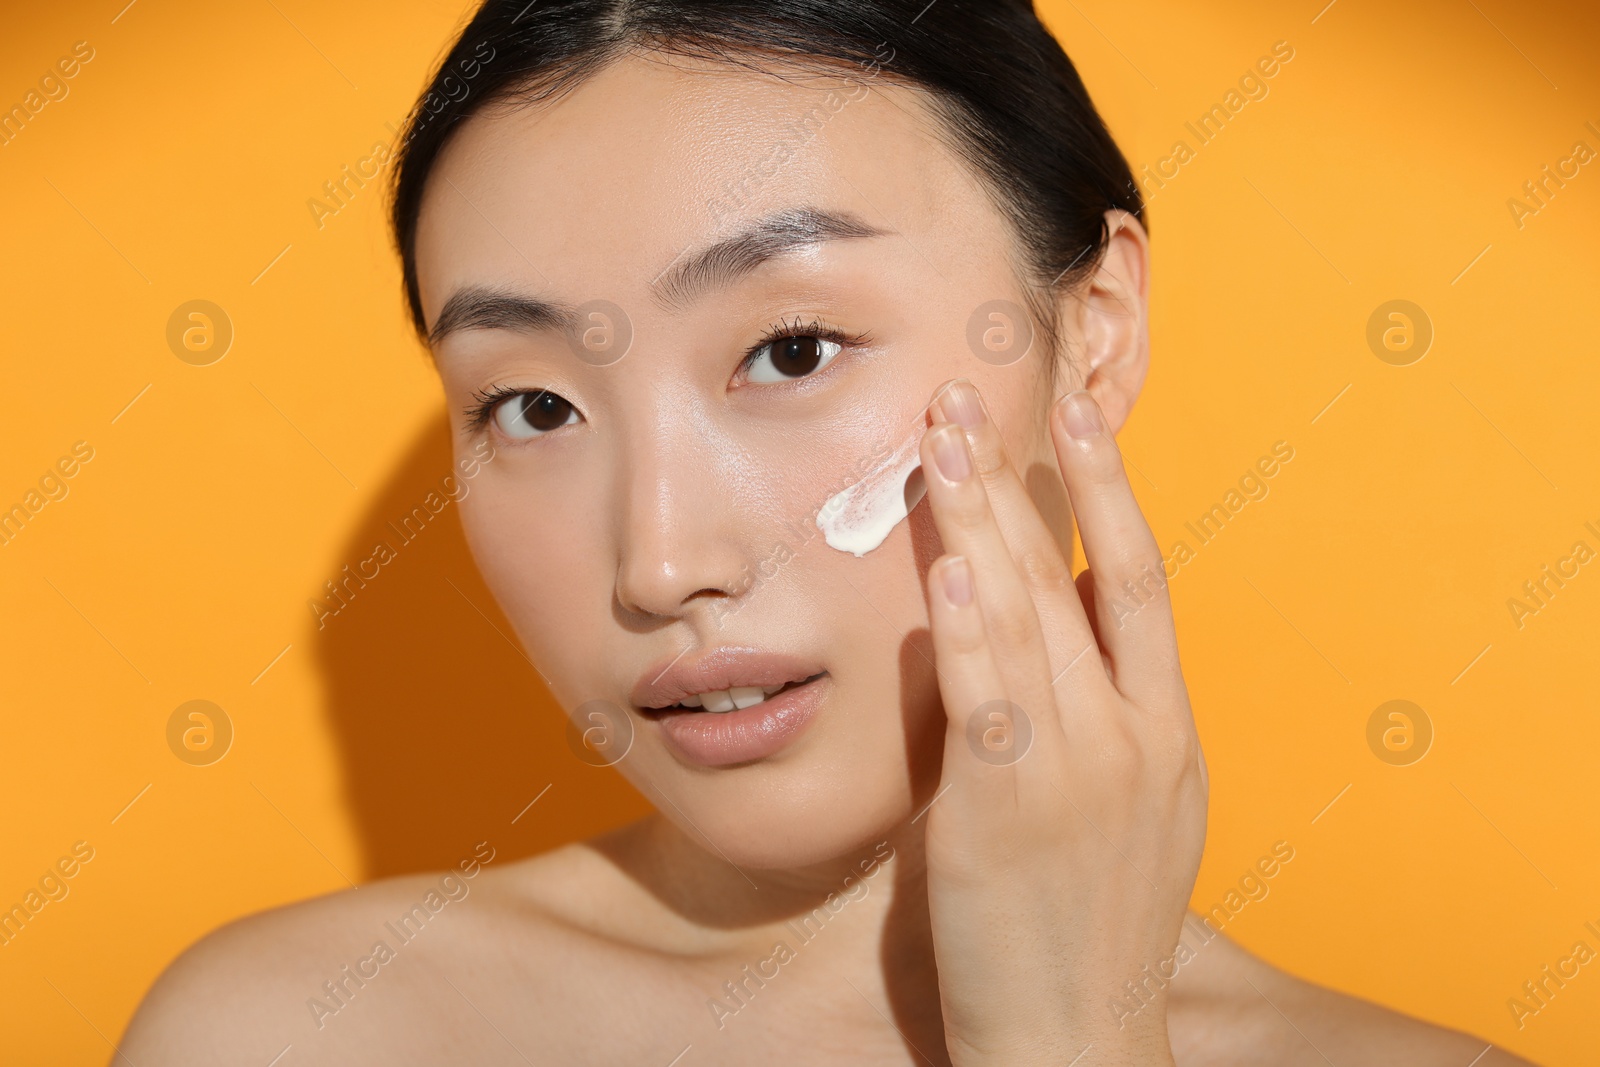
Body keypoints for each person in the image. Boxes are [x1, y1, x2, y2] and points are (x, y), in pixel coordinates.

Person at [121, 2, 1535, 1062]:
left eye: (793, 351)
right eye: (536, 405)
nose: (662, 563)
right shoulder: (303, 1034)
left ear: (1090, 340)